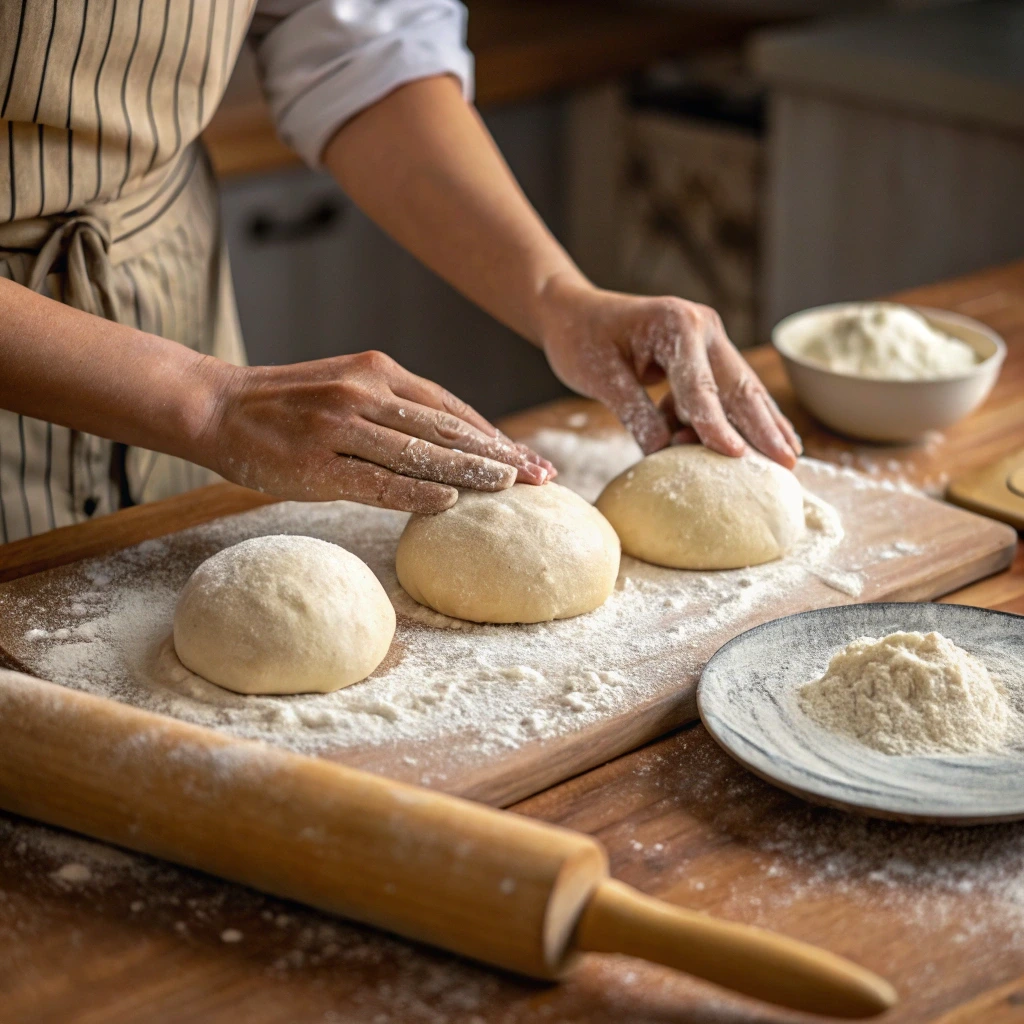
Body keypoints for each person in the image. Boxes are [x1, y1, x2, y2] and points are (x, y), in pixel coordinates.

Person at [0, 0, 800, 544]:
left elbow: (357, 39)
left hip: (159, 292)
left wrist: (561, 298)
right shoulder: (212, 405)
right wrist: (204, 402)